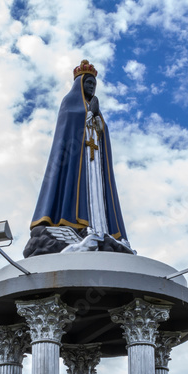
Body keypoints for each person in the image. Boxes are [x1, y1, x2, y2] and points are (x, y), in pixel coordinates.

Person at [24, 60, 132, 256]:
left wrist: (97, 117)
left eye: (94, 85)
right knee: (74, 191)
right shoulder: (70, 103)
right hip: (75, 164)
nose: (91, 87)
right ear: (80, 84)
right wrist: (90, 113)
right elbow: (70, 127)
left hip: (95, 163)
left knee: (97, 194)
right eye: (88, 83)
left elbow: (101, 133)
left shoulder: (94, 109)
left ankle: (99, 229)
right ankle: (74, 224)